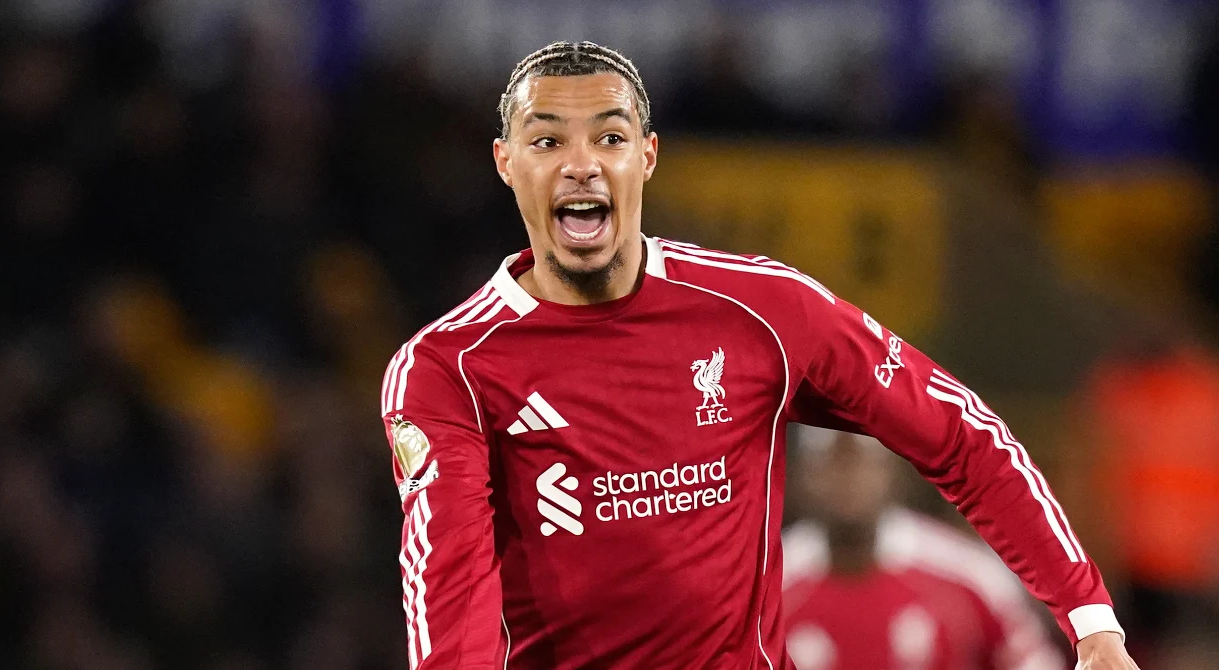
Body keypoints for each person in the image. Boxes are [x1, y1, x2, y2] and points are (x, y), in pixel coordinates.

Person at [379, 41, 1138, 669]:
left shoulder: (762, 311)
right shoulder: (449, 369)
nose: (582, 164)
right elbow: (452, 589)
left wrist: (1090, 617)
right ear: (506, 161)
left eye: (609, 138)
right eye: (547, 141)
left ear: (647, 156)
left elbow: (959, 434)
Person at [781, 426, 1068, 670]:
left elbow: (1035, 661)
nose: (848, 480)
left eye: (862, 463)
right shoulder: (770, 585)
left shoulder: (964, 574)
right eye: (832, 464)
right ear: (802, 476)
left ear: (891, 470)